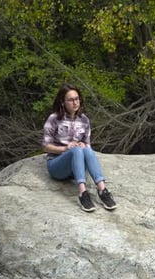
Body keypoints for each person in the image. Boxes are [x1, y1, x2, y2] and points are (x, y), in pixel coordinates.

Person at [42, 83, 117, 212]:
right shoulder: (54, 118)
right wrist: (65, 148)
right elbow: (45, 146)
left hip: (76, 167)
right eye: (71, 100)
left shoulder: (84, 120)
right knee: (76, 149)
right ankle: (83, 193)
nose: (75, 102)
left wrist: (84, 145)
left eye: (77, 99)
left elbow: (87, 144)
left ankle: (102, 190)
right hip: (57, 165)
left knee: (87, 149)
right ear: (62, 102)